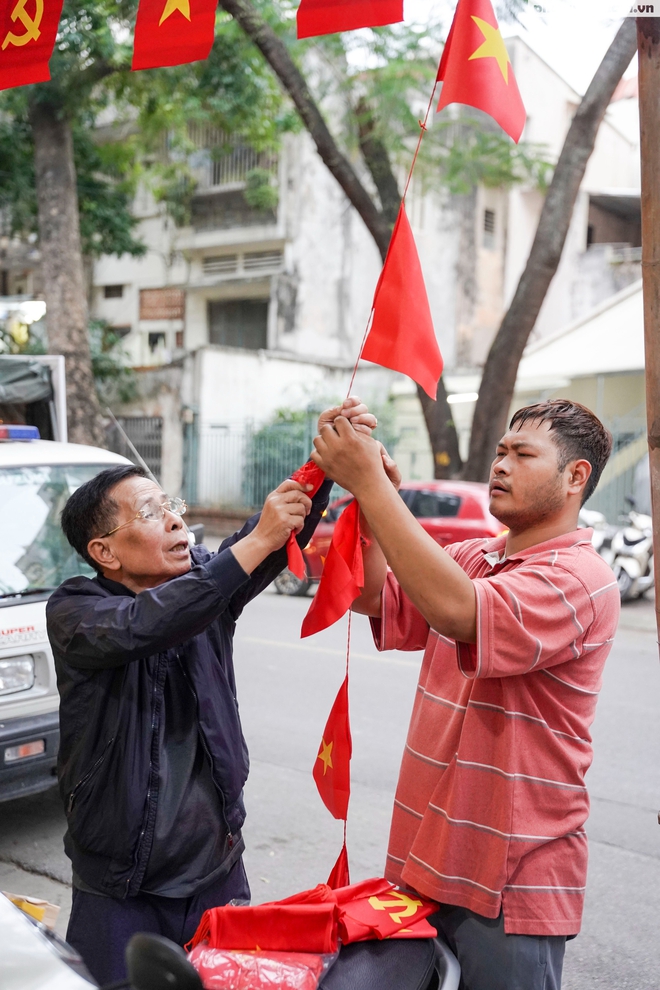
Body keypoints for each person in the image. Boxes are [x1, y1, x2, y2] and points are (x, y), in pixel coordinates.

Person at [47, 398, 375, 984]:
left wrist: (324, 461)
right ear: (104, 552)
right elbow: (147, 623)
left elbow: (264, 541)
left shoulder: (205, 583)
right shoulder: (76, 611)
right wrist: (252, 544)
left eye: (171, 507)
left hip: (216, 868)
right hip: (119, 883)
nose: (176, 521)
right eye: (151, 513)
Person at [310, 399, 620, 990]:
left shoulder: (580, 578)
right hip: (428, 853)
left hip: (510, 877)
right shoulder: (475, 556)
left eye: (522, 454)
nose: (500, 465)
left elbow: (459, 611)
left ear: (575, 476)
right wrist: (371, 500)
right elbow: (373, 596)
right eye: (500, 451)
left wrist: (373, 485)